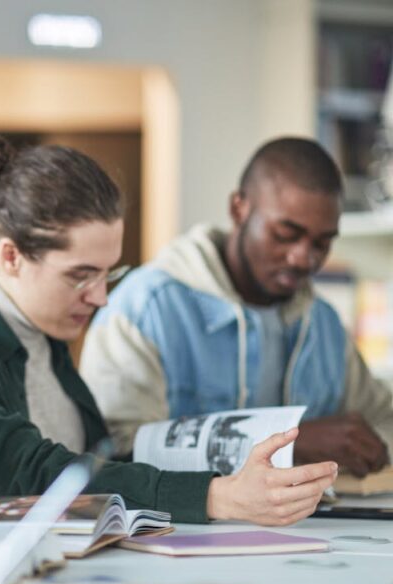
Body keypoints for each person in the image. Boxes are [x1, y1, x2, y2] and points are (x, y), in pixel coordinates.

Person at [0, 136, 337, 525]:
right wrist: (217, 496)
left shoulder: (44, 340)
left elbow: (99, 466)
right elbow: (34, 472)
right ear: (11, 256)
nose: (100, 297)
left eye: (108, 274)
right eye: (80, 275)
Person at [81, 137, 393, 478]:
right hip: (177, 531)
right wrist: (288, 442)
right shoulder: (144, 308)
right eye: (285, 234)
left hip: (311, 529)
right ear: (238, 209)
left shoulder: (323, 323)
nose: (304, 257)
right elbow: (114, 452)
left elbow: (383, 417)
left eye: (322, 242)